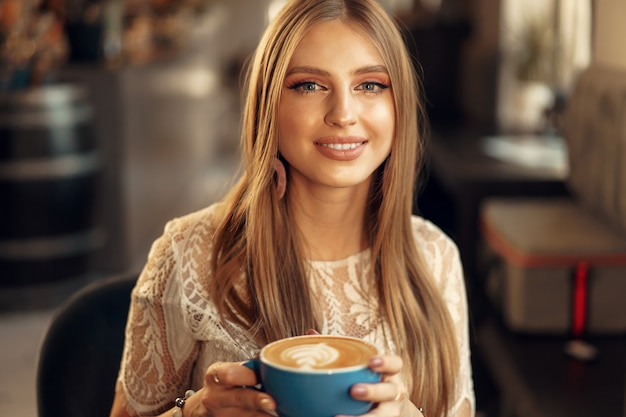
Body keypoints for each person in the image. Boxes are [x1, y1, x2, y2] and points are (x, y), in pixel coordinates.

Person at [109, 0, 475, 416]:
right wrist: (193, 412)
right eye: (309, 85)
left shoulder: (436, 258)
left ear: (399, 105)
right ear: (269, 105)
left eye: (370, 85)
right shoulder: (187, 252)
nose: (343, 114)